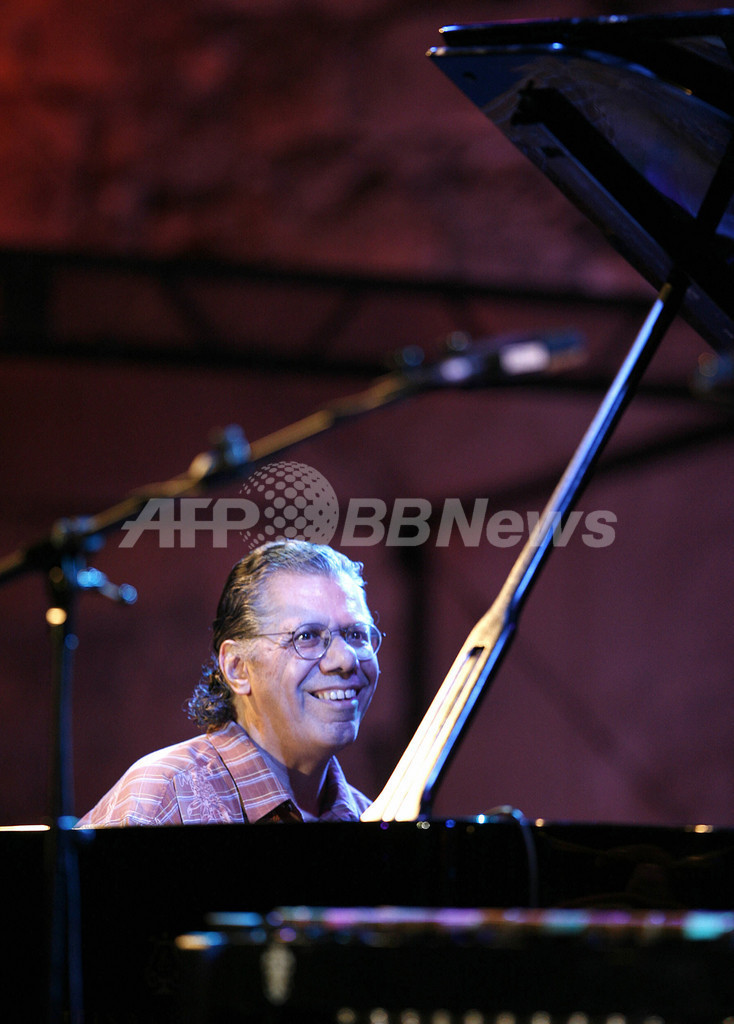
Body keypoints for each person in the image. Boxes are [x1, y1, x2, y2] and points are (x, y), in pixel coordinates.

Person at [76, 540, 382, 826]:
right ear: (237, 668)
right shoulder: (164, 801)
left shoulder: (371, 818)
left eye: (357, 635)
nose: (346, 659)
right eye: (308, 636)